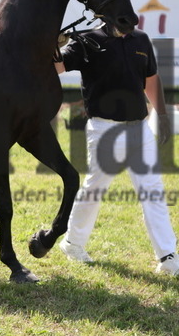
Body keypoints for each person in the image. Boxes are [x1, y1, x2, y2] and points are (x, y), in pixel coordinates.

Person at [56, 22, 178, 276]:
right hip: (104, 129)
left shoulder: (141, 39)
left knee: (153, 191)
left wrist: (162, 115)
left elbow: (150, 78)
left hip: (140, 129)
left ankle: (167, 256)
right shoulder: (87, 40)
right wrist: (52, 47)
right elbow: (56, 67)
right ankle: (73, 243)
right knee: (95, 189)